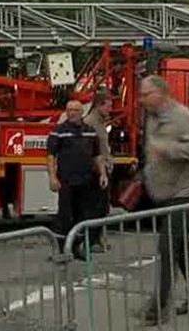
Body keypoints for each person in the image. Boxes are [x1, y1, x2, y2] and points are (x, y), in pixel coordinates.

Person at [138, 75, 189, 325]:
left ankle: (157, 308)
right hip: (163, 193)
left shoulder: (183, 117)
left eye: (146, 94)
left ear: (161, 93)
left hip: (182, 192)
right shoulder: (153, 117)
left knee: (167, 248)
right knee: (180, 249)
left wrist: (167, 150)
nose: (142, 99)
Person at [47, 100, 108, 259]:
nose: (71, 113)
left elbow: (97, 156)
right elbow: (51, 157)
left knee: (84, 216)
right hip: (67, 181)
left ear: (82, 113)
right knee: (64, 217)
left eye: (75, 110)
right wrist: (52, 177)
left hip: (86, 181)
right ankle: (60, 251)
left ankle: (76, 248)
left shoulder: (90, 132)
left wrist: (102, 174)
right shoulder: (58, 132)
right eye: (69, 110)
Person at [83, 92, 113, 253]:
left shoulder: (100, 122)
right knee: (95, 207)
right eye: (108, 106)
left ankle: (98, 239)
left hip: (103, 169)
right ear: (99, 105)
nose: (110, 109)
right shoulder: (90, 123)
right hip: (96, 172)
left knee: (102, 207)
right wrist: (100, 170)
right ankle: (92, 241)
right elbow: (92, 151)